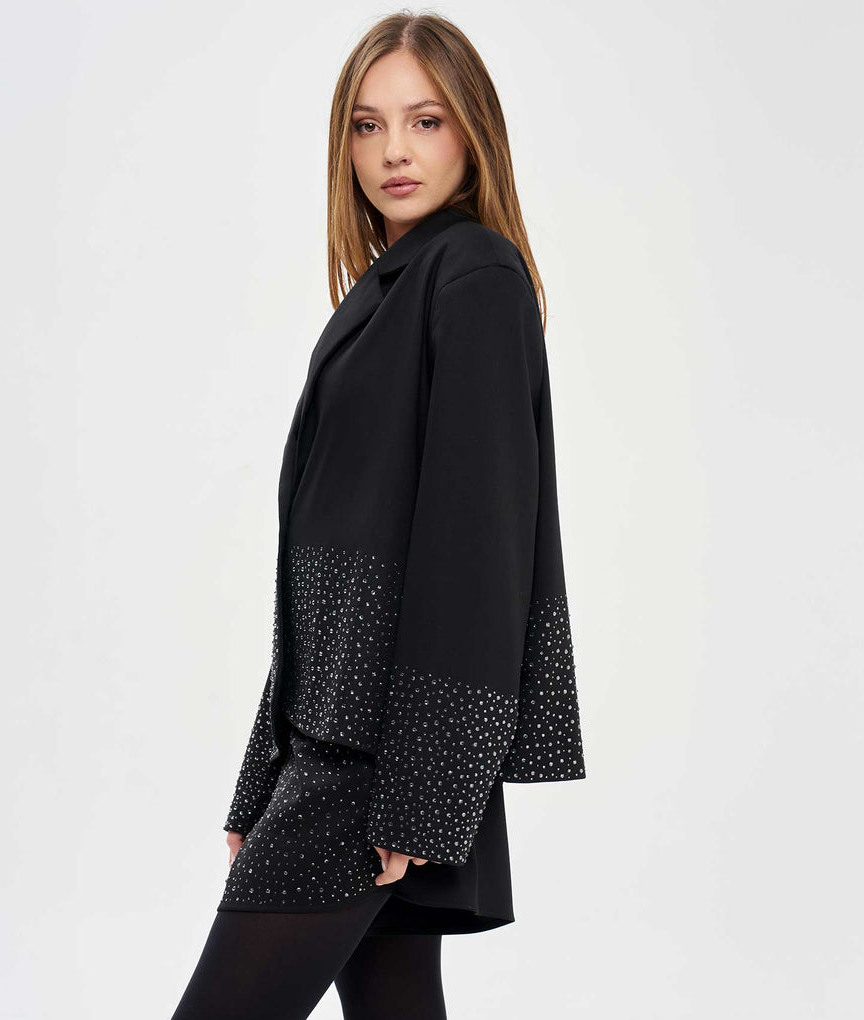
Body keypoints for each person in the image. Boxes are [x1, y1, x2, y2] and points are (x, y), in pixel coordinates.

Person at [169, 11, 586, 1020]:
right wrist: (264, 771)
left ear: (473, 133)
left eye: (425, 121)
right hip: (339, 744)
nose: (395, 150)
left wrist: (424, 789)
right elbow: (327, 569)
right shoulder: (388, 290)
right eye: (368, 125)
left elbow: (476, 550)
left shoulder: (473, 275)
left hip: (377, 763)